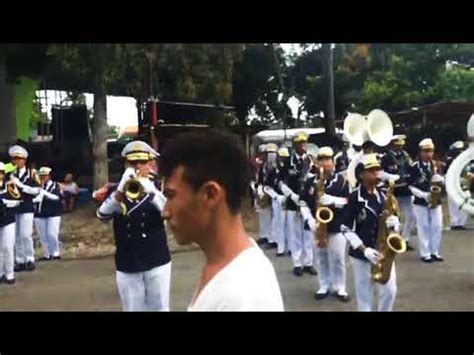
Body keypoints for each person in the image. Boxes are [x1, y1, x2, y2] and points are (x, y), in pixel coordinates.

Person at [160, 130, 284, 311]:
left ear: (210, 195)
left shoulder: (241, 296)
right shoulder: (225, 267)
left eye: (171, 196)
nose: (165, 212)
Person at [96, 141, 171, 311]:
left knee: (159, 307)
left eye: (142, 162)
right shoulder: (116, 190)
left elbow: (167, 212)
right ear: (125, 164)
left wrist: (149, 189)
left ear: (150, 163)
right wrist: (120, 190)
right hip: (128, 260)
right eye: (132, 163)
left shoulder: (159, 187)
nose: (138, 167)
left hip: (156, 257)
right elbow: (102, 214)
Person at [340, 154, 401, 311]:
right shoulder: (354, 197)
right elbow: (345, 228)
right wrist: (363, 249)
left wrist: (395, 224)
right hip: (362, 255)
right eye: (372, 170)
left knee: (389, 292)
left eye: (377, 169)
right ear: (361, 174)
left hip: (384, 253)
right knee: (364, 297)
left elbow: (394, 222)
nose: (376, 173)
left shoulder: (385, 196)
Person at [300, 147, 351, 302]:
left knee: (338, 258)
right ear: (317, 162)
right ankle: (324, 285)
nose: (325, 163)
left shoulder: (342, 182)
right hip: (317, 225)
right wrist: (308, 219)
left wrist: (333, 200)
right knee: (321, 257)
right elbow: (303, 202)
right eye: (321, 160)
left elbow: (349, 202)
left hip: (336, 225)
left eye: (328, 160)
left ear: (333, 163)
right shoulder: (310, 181)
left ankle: (340, 287)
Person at [279, 132, 316, 277]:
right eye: (300, 143)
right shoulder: (288, 161)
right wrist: (291, 195)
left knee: (308, 234)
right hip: (293, 202)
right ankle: (297, 263)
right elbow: (280, 182)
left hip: (307, 202)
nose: (303, 145)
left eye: (304, 143)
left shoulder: (311, 161)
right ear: (295, 145)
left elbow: (315, 180)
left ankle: (308, 263)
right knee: (295, 234)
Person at [409, 138, 445, 263]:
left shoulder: (436, 165)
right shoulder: (414, 166)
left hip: (436, 199)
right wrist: (423, 195)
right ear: (420, 152)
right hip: (421, 200)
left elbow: (444, 181)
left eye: (431, 151)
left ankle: (435, 251)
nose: (429, 154)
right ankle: (425, 253)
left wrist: (440, 180)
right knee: (423, 226)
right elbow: (410, 186)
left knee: (437, 226)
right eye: (426, 151)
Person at [7, 145, 41, 272]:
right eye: (14, 159)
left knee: (26, 234)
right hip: (14, 207)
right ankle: (20, 260)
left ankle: (30, 259)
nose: (16, 161)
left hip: (27, 206)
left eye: (18, 158)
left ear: (24, 160)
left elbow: (37, 190)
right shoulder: (11, 174)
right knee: (16, 236)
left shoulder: (32, 173)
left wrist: (21, 185)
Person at [381, 135, 416, 250]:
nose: (400, 148)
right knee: (393, 218)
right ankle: (394, 240)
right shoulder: (386, 158)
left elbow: (411, 169)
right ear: (392, 145)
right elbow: (381, 173)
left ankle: (405, 239)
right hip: (393, 191)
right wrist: (391, 177)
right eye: (397, 145)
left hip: (405, 190)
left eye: (401, 145)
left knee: (411, 216)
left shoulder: (405, 156)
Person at [34, 167, 63, 261]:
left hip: (53, 213)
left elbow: (56, 197)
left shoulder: (55, 185)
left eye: (45, 176)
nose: (43, 178)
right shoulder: (37, 186)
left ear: (49, 176)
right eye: (41, 176)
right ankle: (47, 254)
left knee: (52, 234)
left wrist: (44, 194)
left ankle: (55, 252)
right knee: (42, 235)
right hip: (40, 213)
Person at [0, 162, 21, 285]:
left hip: (8, 220)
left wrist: (4, 203)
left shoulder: (10, 186)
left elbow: (17, 201)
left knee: (7, 247)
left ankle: (9, 274)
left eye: (0, 173)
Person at [443, 141, 468, 230]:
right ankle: (455, 222)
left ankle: (460, 222)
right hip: (452, 180)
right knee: (453, 202)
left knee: (463, 200)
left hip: (462, 181)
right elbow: (445, 170)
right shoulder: (450, 158)